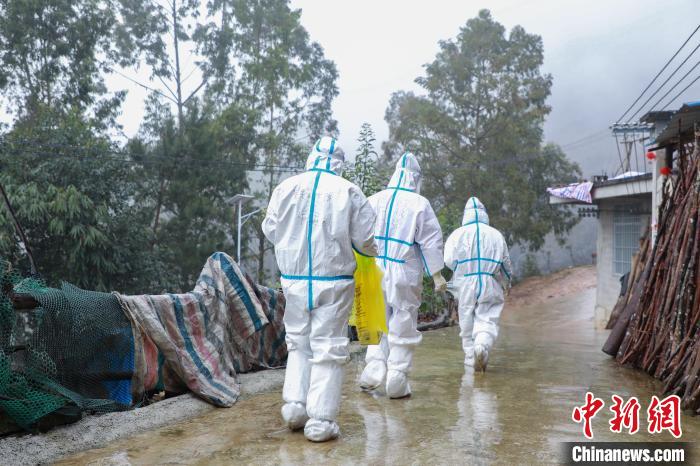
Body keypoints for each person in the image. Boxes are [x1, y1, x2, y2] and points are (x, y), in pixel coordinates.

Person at [262, 136, 377, 442]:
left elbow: (271, 229)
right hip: (334, 281)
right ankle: (321, 421)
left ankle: (295, 406)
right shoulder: (349, 191)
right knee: (328, 347)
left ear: (310, 157)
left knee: (299, 342)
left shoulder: (285, 188)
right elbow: (365, 240)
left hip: (294, 280)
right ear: (339, 163)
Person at [358, 152, 445, 398]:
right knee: (403, 319)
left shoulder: (374, 199)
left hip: (374, 267)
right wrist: (437, 275)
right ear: (415, 178)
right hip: (403, 269)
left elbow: (358, 234)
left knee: (377, 318)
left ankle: (373, 368)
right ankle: (397, 377)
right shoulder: (420, 204)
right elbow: (430, 241)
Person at [444, 197, 512, 372]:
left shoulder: (457, 234)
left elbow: (449, 260)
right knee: (488, 317)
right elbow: (505, 263)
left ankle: (469, 357)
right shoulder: (496, 234)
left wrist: (461, 269)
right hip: (489, 280)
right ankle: (481, 345)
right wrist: (506, 283)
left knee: (466, 318)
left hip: (465, 281)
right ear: (484, 214)